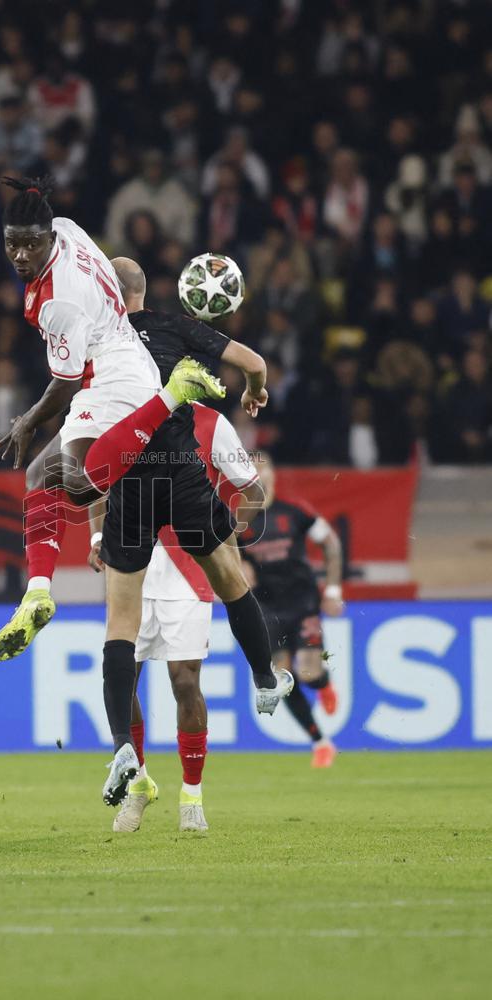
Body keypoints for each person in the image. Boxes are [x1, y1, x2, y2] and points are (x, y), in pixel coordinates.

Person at [0, 175, 230, 661]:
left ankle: (173, 393)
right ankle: (37, 593)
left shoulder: (60, 302)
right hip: (114, 361)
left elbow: (66, 383)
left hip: (115, 377)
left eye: (31, 245)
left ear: (49, 238)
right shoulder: (69, 229)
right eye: (12, 244)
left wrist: (29, 420)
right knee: (41, 476)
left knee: (76, 486)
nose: (20, 255)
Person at [92, 258, 293, 807]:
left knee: (119, 623)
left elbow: (83, 428)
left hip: (129, 482)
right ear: (145, 291)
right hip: (182, 474)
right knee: (230, 578)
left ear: (105, 292)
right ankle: (264, 679)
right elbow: (253, 363)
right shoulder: (177, 328)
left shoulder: (95, 344)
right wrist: (253, 391)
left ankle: (122, 750)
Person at [89, 402, 263, 833]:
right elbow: (96, 482)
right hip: (133, 569)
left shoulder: (211, 422)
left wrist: (228, 542)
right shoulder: (125, 410)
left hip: (190, 571)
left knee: (185, 681)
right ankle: (140, 785)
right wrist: (97, 535)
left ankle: (192, 796)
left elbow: (252, 489)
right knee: (124, 676)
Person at [240, 453, 343, 768]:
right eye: (251, 470)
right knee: (281, 678)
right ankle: (320, 743)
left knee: (309, 672)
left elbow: (331, 543)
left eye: (263, 468)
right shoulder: (238, 523)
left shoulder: (294, 512)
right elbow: (225, 559)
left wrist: (334, 589)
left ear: (272, 476)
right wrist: (238, 568)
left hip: (302, 602)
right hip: (266, 608)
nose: (259, 475)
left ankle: (322, 684)